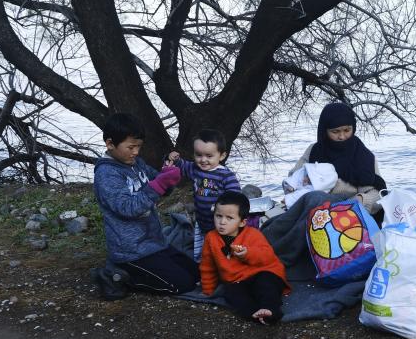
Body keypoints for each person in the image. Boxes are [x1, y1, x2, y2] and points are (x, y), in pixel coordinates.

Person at [92, 113, 198, 298]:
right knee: (183, 284)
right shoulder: (106, 174)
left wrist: (168, 176)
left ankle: (135, 270)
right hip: (131, 252)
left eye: (138, 146)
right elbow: (128, 207)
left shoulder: (135, 163)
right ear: (110, 144)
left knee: (197, 273)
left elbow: (157, 183)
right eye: (131, 147)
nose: (136, 152)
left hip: (155, 243)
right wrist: (159, 185)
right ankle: (118, 275)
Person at [199, 191, 289, 325]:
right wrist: (208, 289)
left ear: (242, 222)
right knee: (232, 295)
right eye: (218, 216)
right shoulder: (211, 238)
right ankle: (254, 313)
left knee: (266, 285)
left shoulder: (253, 234)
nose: (222, 222)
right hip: (236, 280)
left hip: (261, 272)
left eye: (229, 218)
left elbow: (267, 256)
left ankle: (271, 309)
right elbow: (207, 266)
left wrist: (248, 253)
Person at [290, 102, 387, 215]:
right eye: (335, 132)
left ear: (353, 128)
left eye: (347, 130)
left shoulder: (362, 155)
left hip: (348, 214)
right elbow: (293, 179)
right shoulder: (314, 150)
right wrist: (306, 178)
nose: (342, 136)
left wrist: (361, 200)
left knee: (316, 198)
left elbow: (377, 193)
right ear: (325, 131)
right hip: (313, 211)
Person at [167, 129, 241, 261]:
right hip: (201, 222)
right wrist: (174, 158)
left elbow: (234, 198)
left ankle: (223, 269)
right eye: (199, 155)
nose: (203, 160)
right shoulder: (195, 169)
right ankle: (203, 269)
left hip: (220, 224)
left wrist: (221, 207)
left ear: (222, 156)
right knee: (203, 252)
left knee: (221, 251)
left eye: (209, 156)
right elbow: (182, 165)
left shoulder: (226, 175)